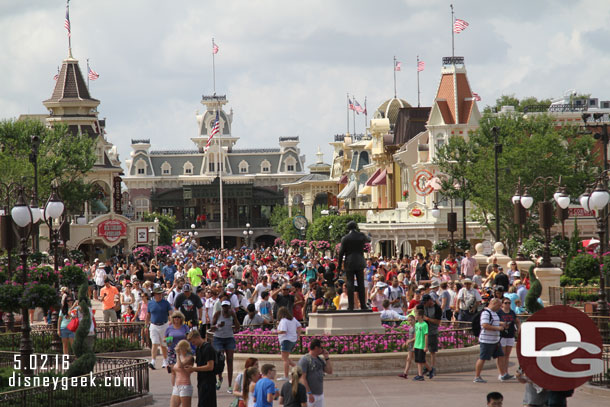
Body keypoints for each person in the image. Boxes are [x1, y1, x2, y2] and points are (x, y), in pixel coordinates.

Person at [336, 221, 370, 310]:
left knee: (350, 283)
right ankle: (363, 305)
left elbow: (341, 253)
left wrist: (339, 266)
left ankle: (350, 306)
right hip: (359, 261)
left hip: (349, 262)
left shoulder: (345, 238)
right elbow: (368, 239)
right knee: (361, 283)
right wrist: (368, 235)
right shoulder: (361, 235)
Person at [474, 298, 507, 383]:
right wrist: (498, 328)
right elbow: (485, 325)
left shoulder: (494, 313)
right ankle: (477, 376)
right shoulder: (486, 313)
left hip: (495, 340)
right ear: (494, 303)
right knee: (483, 358)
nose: (500, 307)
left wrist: (501, 324)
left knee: (501, 356)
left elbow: (493, 322)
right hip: (486, 340)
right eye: (499, 305)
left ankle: (503, 374)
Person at [212, 300, 240, 393]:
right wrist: (218, 325)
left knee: (230, 360)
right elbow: (211, 328)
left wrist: (234, 317)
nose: (225, 308)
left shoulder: (232, 315)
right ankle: (220, 377)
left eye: (226, 307)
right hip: (218, 338)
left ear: (229, 307)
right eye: (223, 306)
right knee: (220, 358)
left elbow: (238, 327)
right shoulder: (217, 314)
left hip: (229, 338)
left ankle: (229, 385)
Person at [186, 330, 216, 407]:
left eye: (194, 342)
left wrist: (194, 369)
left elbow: (210, 366)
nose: (193, 344)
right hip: (201, 380)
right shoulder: (198, 349)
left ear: (198, 337)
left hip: (209, 381)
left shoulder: (208, 348)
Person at [298, 339, 332, 407]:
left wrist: (327, 358)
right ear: (316, 347)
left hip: (320, 393)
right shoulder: (305, 359)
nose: (323, 349)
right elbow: (302, 378)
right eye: (321, 347)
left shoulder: (319, 359)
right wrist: (309, 393)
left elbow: (329, 371)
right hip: (309, 394)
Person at [146, 286, 173, 370]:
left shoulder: (166, 303)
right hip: (154, 325)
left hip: (164, 325)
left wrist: (171, 323)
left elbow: (171, 313)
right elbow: (148, 315)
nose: (160, 295)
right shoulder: (150, 303)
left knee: (164, 344)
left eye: (161, 294)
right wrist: (146, 325)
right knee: (154, 343)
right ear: (154, 294)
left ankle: (165, 360)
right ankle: (153, 361)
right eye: (158, 294)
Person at [418, 294, 442, 378]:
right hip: (423, 331)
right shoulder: (422, 306)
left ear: (429, 301)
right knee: (422, 350)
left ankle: (432, 367)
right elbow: (416, 311)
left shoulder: (437, 308)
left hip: (432, 331)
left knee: (432, 351)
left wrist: (428, 319)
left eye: (425, 302)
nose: (424, 304)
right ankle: (426, 367)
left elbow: (438, 322)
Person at [496, 297, 520, 381]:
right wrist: (502, 323)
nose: (507, 304)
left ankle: (506, 372)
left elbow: (517, 321)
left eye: (509, 303)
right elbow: (495, 321)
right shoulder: (499, 313)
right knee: (501, 355)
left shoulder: (512, 312)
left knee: (507, 355)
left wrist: (518, 329)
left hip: (510, 334)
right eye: (506, 303)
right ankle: (501, 373)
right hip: (502, 335)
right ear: (502, 304)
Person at [276, 306, 302, 380]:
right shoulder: (293, 319)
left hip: (286, 340)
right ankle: (298, 369)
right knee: (286, 358)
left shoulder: (283, 321)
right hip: (292, 339)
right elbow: (299, 326)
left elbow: (283, 331)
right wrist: (298, 336)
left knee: (285, 359)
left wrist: (276, 332)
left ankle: (286, 376)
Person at [170, 339, 194, 407]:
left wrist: (177, 354)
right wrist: (173, 385)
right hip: (177, 386)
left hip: (185, 385)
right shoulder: (179, 358)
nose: (178, 350)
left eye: (179, 348)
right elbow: (174, 372)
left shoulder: (189, 358)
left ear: (184, 348)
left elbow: (180, 366)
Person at [412, 309, 428, 381]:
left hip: (422, 345)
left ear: (421, 316)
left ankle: (421, 375)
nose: (415, 316)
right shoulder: (416, 324)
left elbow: (426, 335)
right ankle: (421, 374)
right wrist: (414, 345)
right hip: (417, 345)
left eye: (417, 315)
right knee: (418, 361)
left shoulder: (424, 324)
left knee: (421, 361)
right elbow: (415, 335)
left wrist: (426, 346)